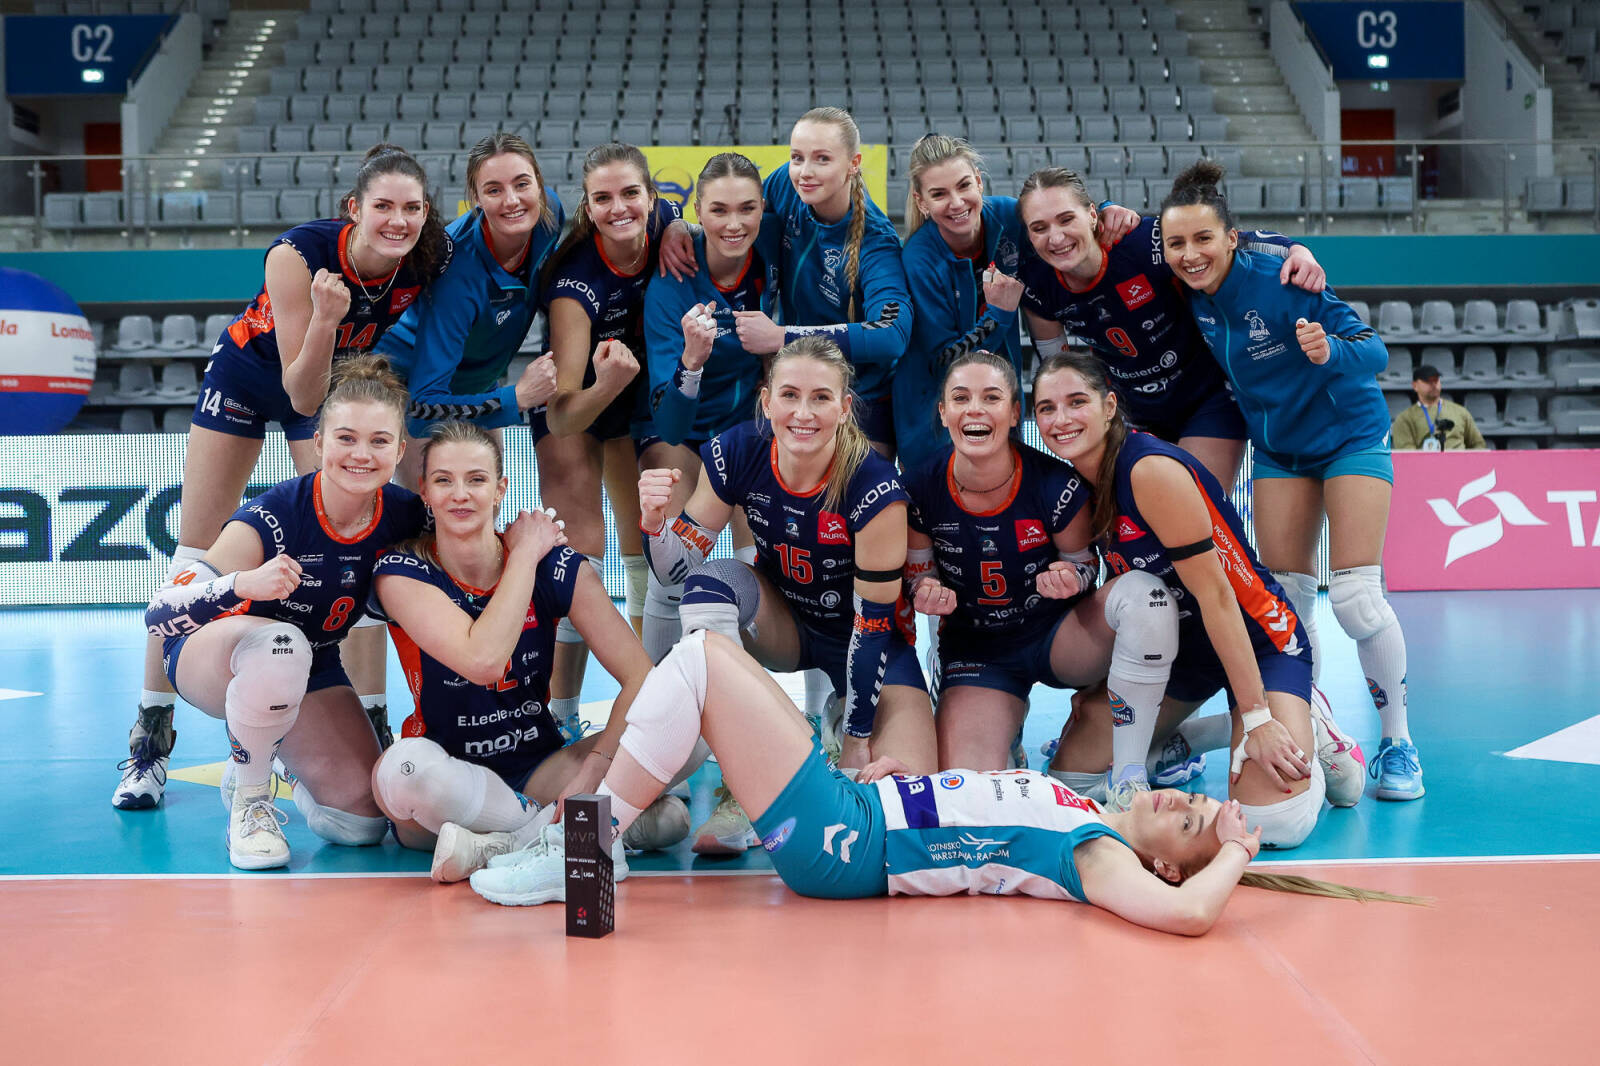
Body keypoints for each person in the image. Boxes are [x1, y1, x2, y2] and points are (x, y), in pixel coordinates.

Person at [469, 632, 1426, 929]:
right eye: (1196, 799)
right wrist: (896, 783)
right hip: (863, 812)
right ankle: (582, 840)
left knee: (705, 662)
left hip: (846, 848)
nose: (1181, 800)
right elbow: (965, 811)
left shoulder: (1097, 854)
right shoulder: (1084, 806)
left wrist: (1236, 852)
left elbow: (1187, 917)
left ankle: (583, 848)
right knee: (704, 671)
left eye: (1185, 824)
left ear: (1168, 863)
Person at [116, 145, 450, 809]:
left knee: (361, 541)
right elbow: (300, 393)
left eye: (411, 207)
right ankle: (149, 739)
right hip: (257, 376)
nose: (398, 219)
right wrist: (327, 316)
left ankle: (370, 720)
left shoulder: (425, 258)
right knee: (192, 551)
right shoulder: (297, 255)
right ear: (353, 209)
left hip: (330, 382)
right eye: (383, 206)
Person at [1159, 160, 1422, 802]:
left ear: (1231, 238)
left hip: (1350, 436)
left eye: (1204, 239)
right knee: (1288, 610)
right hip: (1278, 451)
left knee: (1356, 599)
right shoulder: (1187, 289)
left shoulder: (1281, 277)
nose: (1190, 254)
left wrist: (1331, 351)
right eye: (1177, 243)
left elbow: (1374, 350)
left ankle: (1398, 742)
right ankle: (1320, 733)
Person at [1032, 353, 1365, 847]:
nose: (1061, 419)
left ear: (1109, 406)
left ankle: (1316, 731)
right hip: (1183, 652)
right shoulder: (1077, 483)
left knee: (1276, 824)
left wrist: (1258, 718)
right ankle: (1202, 735)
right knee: (1072, 780)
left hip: (1256, 639)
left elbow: (1218, 597)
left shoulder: (1149, 471)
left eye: (1076, 402)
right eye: (1046, 408)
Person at [638, 336, 936, 854]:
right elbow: (674, 573)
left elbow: (872, 626)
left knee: (905, 816)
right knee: (710, 588)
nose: (803, 413)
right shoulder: (737, 450)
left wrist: (859, 741)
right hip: (785, 624)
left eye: (821, 398)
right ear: (767, 401)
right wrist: (653, 524)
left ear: (845, 408)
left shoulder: (874, 486)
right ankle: (746, 780)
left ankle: (837, 728)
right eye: (790, 395)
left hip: (870, 642)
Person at [365, 422, 686, 883]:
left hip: (542, 769)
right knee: (402, 771)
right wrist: (523, 555)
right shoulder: (402, 570)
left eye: (476, 479)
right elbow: (483, 662)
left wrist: (592, 770)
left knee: (685, 709)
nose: (460, 494)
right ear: (425, 492)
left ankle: (499, 842)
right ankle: (556, 832)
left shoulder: (556, 566)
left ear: (500, 490)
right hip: (445, 777)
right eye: (443, 480)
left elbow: (642, 678)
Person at [141, 358, 426, 869]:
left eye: (379, 441)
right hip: (212, 657)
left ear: (400, 450)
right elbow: (159, 614)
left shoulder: (406, 514)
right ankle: (251, 802)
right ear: (318, 442)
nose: (362, 454)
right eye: (346, 438)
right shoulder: (275, 515)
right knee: (280, 644)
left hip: (313, 662)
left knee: (360, 824)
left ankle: (276, 752)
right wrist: (240, 585)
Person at [1015, 166, 1327, 491]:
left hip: (1207, 398)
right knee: (1139, 514)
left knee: (1196, 502)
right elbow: (1056, 366)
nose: (1056, 237)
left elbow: (1229, 242)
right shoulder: (1037, 284)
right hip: (1130, 411)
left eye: (1066, 219)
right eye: (1039, 228)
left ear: (1092, 214)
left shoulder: (1141, 242)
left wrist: (1297, 250)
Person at [903, 351, 1136, 775]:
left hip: (1059, 637)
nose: (974, 409)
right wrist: (925, 590)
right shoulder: (919, 485)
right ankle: (1004, 728)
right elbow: (920, 573)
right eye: (960, 398)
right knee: (966, 784)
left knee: (1144, 596)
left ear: (1014, 414)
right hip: (979, 651)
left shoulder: (1056, 483)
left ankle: (1121, 730)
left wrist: (1073, 577)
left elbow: (1085, 564)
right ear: (943, 412)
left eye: (991, 398)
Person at [534, 142, 684, 739]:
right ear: (587, 205)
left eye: (630, 194)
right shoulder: (575, 285)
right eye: (603, 198)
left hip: (634, 402)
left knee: (648, 553)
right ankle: (560, 715)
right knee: (582, 561)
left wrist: (682, 229)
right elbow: (562, 415)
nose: (619, 208)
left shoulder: (671, 226)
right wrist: (608, 383)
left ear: (653, 197)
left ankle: (654, 706)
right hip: (578, 403)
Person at [895, 137, 1143, 473]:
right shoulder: (919, 259)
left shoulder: (1008, 217)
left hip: (1001, 403)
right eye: (939, 194)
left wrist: (1108, 210)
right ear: (921, 202)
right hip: (935, 418)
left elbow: (1062, 214)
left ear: (979, 182)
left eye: (964, 186)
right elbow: (944, 363)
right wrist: (999, 314)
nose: (956, 203)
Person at [638, 151, 778, 661]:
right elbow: (671, 426)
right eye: (718, 210)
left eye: (747, 209)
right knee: (674, 570)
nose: (734, 224)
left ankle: (796, 702)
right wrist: (692, 362)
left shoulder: (774, 253)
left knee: (770, 564)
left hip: (747, 430)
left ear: (763, 209)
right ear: (698, 209)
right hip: (680, 430)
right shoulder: (671, 283)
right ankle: (659, 693)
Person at [378, 133, 565, 487]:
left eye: (522, 184)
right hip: (411, 384)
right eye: (494, 190)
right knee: (427, 507)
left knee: (487, 497)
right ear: (475, 199)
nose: (512, 200)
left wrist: (673, 222)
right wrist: (517, 397)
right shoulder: (456, 275)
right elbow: (421, 410)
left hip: (477, 379)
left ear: (540, 186)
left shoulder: (549, 215)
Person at [733, 107, 912, 455]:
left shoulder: (876, 241)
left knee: (851, 488)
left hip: (860, 396)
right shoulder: (785, 184)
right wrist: (678, 225)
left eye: (822, 159)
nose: (805, 172)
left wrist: (782, 337)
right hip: (797, 382)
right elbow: (734, 220)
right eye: (797, 157)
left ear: (853, 163)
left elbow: (892, 335)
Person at [1390, 363, 1487, 451]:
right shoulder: (1404, 418)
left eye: (1436, 380)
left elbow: (1478, 444)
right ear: (1415, 385)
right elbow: (1407, 454)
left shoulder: (1460, 412)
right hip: (1425, 463)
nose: (1433, 384)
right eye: (1428, 381)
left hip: (1459, 462)